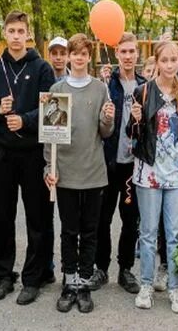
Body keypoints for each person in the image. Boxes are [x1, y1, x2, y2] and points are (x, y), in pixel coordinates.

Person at [0, 10, 56, 305]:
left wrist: (24, 120)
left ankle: (33, 278)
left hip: (32, 153)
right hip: (2, 154)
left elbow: (52, 110)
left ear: (27, 34)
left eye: (20, 31)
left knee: (37, 218)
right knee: (2, 216)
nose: (15, 36)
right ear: (5, 34)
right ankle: (3, 275)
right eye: (10, 31)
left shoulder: (42, 68)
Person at [43, 34, 115, 313]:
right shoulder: (57, 89)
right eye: (75, 53)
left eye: (84, 53)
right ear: (70, 57)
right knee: (68, 230)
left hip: (94, 172)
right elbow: (51, 136)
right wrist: (50, 166)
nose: (79, 57)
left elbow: (105, 132)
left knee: (90, 231)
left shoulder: (100, 89)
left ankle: (84, 282)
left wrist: (108, 118)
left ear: (89, 56)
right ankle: (69, 280)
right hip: (66, 173)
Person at [126, 41, 178, 313]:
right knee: (148, 233)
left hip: (176, 175)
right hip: (149, 174)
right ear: (157, 61)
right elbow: (132, 136)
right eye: (164, 60)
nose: (169, 65)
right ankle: (146, 284)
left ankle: (175, 288)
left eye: (173, 60)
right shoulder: (143, 92)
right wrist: (135, 120)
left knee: (175, 233)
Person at [91, 32, 146, 294]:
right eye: (122, 51)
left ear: (137, 54)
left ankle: (125, 269)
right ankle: (100, 267)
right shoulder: (105, 84)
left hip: (132, 164)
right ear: (116, 54)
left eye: (131, 51)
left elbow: (151, 126)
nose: (127, 56)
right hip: (108, 161)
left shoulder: (146, 86)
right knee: (102, 217)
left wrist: (141, 118)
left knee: (130, 217)